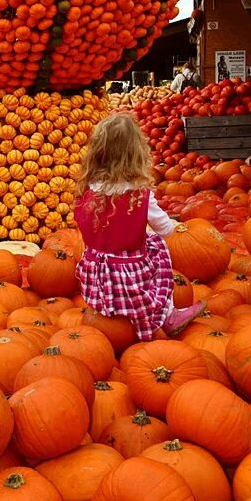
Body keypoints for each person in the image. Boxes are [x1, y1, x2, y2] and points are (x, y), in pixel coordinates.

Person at [73, 113, 206, 341]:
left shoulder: (87, 191)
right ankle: (168, 314)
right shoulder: (139, 195)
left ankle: (111, 310)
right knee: (158, 247)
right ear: (136, 153)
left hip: (96, 275)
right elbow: (166, 229)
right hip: (130, 276)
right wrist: (173, 226)